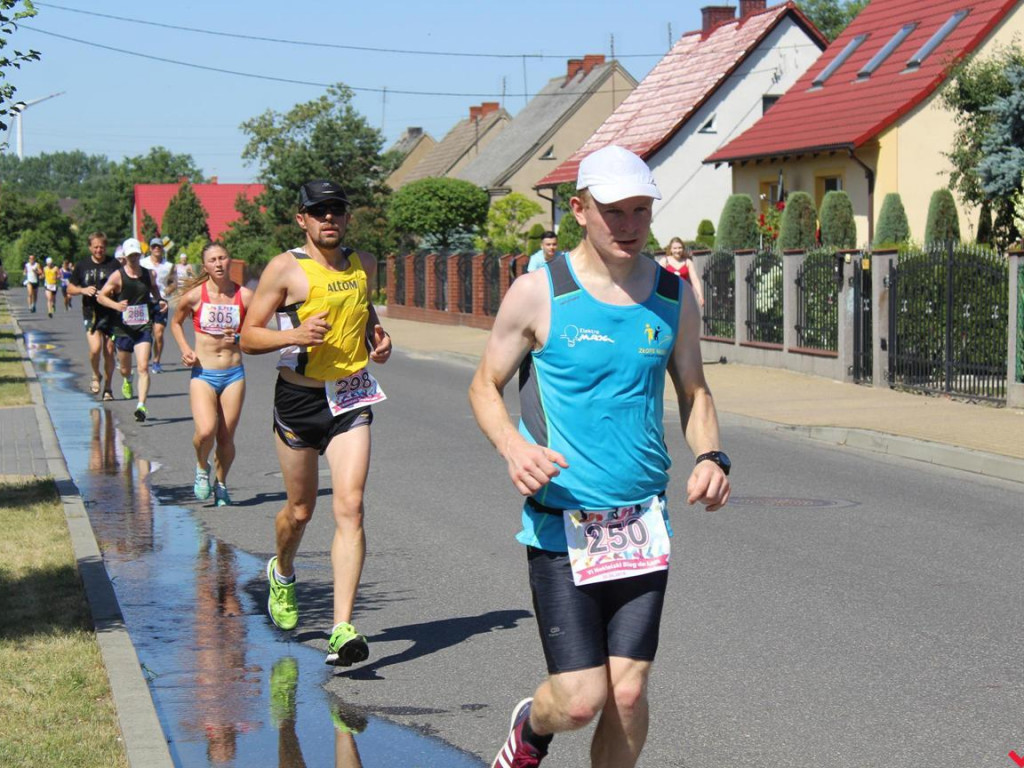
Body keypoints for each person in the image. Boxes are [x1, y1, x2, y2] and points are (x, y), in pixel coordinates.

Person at [468, 145, 731, 768]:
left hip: (640, 523)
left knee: (630, 692)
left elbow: (694, 389)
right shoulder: (539, 294)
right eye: (615, 212)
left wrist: (713, 455)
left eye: (642, 211)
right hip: (563, 523)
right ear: (580, 210)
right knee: (580, 701)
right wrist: (514, 445)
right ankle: (531, 728)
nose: (632, 226)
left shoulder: (673, 296)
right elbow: (484, 385)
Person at [240, 179, 392, 667]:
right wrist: (299, 333)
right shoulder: (285, 269)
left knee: (351, 506)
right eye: (318, 211)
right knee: (300, 512)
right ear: (301, 219)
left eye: (337, 211)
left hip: (350, 398)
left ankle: (341, 628)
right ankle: (282, 570)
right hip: (299, 402)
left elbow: (363, 310)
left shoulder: (364, 263)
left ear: (347, 218)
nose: (329, 218)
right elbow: (248, 336)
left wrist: (378, 336)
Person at [170, 243, 252, 507]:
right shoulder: (195, 296)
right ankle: (201, 466)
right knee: (205, 431)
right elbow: (176, 322)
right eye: (213, 260)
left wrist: (240, 336)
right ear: (205, 266)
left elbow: (257, 331)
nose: (218, 263)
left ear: (230, 262)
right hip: (203, 372)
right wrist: (185, 349)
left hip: (233, 373)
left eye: (223, 258)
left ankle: (222, 484)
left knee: (226, 437)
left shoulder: (245, 296)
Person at [97, 237, 168, 422]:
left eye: (136, 255)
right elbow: (101, 297)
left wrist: (160, 301)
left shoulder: (148, 274)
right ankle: (128, 379)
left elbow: (154, 291)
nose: (134, 258)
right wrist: (116, 305)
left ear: (140, 254)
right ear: (125, 257)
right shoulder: (117, 276)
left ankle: (141, 406)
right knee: (125, 369)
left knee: (143, 366)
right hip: (123, 329)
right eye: (130, 256)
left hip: (143, 326)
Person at [69, 232, 120, 400]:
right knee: (95, 348)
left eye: (102, 247)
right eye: (96, 247)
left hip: (111, 313)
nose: (99, 250)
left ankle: (108, 388)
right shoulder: (82, 265)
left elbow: (123, 284)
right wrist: (83, 290)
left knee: (109, 351)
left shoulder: (114, 264)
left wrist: (115, 291)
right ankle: (95, 374)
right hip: (91, 313)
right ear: (90, 247)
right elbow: (70, 288)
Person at [141, 237, 174, 373]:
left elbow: (174, 282)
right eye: (154, 246)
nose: (156, 249)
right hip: (145, 300)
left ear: (162, 248)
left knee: (159, 334)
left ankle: (156, 361)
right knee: (146, 332)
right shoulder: (143, 263)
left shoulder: (169, 266)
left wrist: (168, 289)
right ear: (150, 248)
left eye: (159, 247)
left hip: (161, 301)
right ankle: (146, 350)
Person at [657, 236, 705, 308]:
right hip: (668, 296)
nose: (678, 250)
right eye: (675, 248)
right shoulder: (665, 261)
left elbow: (695, 280)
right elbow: (656, 277)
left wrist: (700, 295)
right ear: (670, 249)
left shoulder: (687, 262)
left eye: (680, 248)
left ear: (683, 249)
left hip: (684, 296)